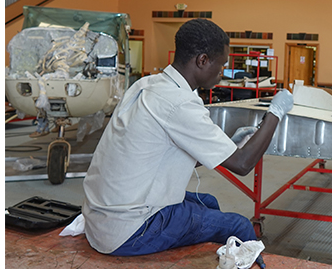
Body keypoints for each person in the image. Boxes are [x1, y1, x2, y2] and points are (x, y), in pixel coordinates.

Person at [82, 18, 294, 256]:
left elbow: (175, 154)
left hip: (100, 217)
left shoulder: (147, 85)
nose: (222, 73)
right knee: (239, 226)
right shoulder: (180, 103)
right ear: (202, 61)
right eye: (221, 65)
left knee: (209, 202)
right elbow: (243, 164)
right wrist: (275, 113)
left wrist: (229, 145)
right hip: (130, 230)